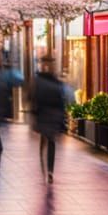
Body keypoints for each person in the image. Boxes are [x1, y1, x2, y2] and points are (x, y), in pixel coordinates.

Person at [28, 55, 69, 183]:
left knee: (48, 140)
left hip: (47, 115)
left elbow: (32, 98)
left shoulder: (40, 80)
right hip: (49, 115)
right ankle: (48, 168)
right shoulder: (54, 81)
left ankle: (48, 168)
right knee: (49, 140)